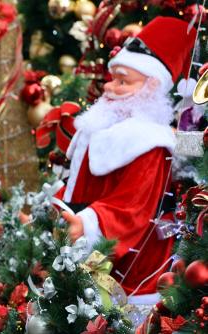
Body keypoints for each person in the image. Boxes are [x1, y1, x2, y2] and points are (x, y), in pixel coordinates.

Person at [60, 17, 196, 305]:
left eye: (123, 81)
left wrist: (85, 225)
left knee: (102, 313)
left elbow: (133, 208)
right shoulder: (103, 130)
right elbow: (76, 185)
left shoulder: (148, 142)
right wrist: (55, 210)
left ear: (151, 87)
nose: (110, 88)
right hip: (92, 251)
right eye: (112, 79)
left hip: (132, 264)